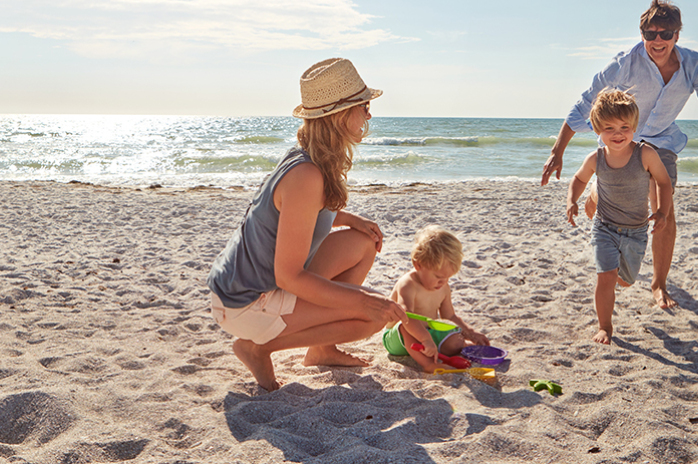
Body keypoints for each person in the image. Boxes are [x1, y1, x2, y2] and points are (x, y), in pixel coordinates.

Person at [541, 0, 698, 309]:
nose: (657, 41)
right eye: (650, 34)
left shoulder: (692, 64)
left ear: (677, 35)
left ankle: (658, 285)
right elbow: (587, 101)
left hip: (662, 141)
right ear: (642, 35)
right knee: (610, 200)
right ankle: (598, 194)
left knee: (663, 212)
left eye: (665, 34)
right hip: (622, 137)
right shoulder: (625, 62)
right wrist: (557, 150)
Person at [206, 58, 408, 391]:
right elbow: (289, 276)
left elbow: (298, 219)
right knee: (373, 316)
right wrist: (362, 300)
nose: (369, 116)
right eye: (365, 106)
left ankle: (321, 349)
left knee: (361, 243)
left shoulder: (307, 158)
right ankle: (258, 347)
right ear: (341, 115)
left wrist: (349, 219)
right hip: (245, 301)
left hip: (254, 282)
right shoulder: (306, 176)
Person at [566, 90, 673, 344]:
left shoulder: (645, 154)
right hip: (604, 227)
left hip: (636, 232)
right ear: (596, 130)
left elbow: (663, 182)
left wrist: (662, 213)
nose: (618, 134)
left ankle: (619, 280)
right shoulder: (596, 158)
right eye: (609, 128)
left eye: (625, 127)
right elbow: (579, 178)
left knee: (626, 281)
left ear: (634, 127)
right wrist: (571, 200)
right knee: (606, 277)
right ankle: (605, 327)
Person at [382, 225, 489, 373]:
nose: (443, 282)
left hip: (427, 333)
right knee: (405, 324)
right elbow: (406, 315)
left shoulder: (443, 287)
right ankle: (428, 365)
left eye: (447, 278)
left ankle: (447, 349)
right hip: (397, 339)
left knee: (455, 341)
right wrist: (426, 339)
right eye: (438, 277)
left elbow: (449, 316)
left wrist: (470, 332)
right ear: (417, 264)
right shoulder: (408, 284)